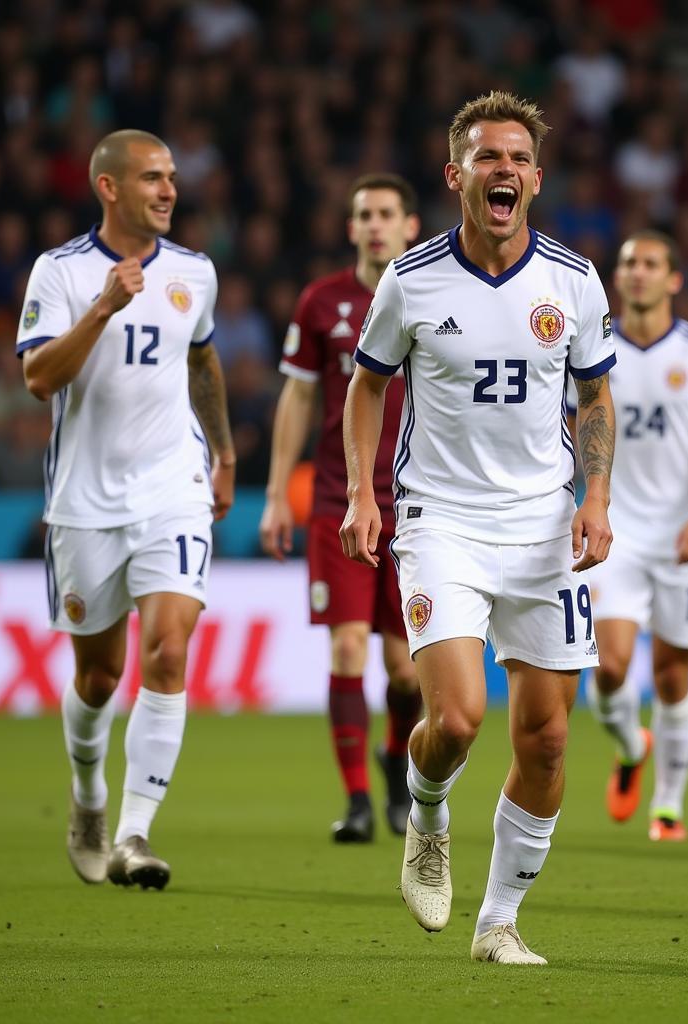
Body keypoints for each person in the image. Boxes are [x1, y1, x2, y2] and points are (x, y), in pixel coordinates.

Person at [339, 91, 616, 964]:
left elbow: (597, 395)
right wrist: (361, 492)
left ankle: (498, 923)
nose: (505, 170)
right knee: (456, 718)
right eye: (487, 157)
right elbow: (366, 386)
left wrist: (595, 497)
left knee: (547, 736)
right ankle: (426, 815)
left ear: (535, 176)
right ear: (457, 175)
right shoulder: (411, 277)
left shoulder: (571, 278)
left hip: (542, 527)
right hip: (441, 521)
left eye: (518, 158)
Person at [16, 129, 236, 889]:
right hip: (85, 501)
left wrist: (226, 451)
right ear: (109, 188)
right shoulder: (62, 272)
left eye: (172, 176)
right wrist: (104, 308)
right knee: (100, 677)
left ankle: (136, 835)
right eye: (152, 178)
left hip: (172, 488)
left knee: (170, 653)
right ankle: (88, 798)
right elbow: (40, 378)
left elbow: (202, 360)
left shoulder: (195, 273)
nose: (169, 190)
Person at [259, 174, 422, 843]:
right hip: (338, 502)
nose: (376, 224)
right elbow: (298, 398)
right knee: (349, 648)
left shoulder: (432, 296)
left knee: (407, 669)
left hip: (417, 506)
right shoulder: (320, 302)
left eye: (387, 214)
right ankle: (357, 799)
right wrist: (276, 493)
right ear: (350, 227)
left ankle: (392, 761)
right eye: (365, 215)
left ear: (410, 226)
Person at [574, 231, 688, 841]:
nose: (636, 273)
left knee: (672, 677)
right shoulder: (595, 347)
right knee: (611, 667)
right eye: (628, 263)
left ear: (673, 279)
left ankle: (668, 807)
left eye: (650, 264)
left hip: (683, 537)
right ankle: (630, 745)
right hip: (614, 528)